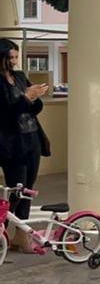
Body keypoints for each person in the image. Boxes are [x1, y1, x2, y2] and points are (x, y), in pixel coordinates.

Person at [0, 39, 48, 228]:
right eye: (9, 57)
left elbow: (34, 109)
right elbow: (6, 115)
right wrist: (26, 98)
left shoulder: (19, 76)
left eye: (15, 57)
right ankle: (5, 229)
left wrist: (34, 97)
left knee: (28, 189)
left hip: (32, 138)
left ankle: (22, 233)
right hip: (11, 144)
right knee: (16, 189)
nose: (13, 61)